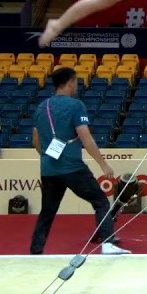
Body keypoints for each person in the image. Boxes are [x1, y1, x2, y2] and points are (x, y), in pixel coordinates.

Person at [30, 67, 129, 255]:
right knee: (100, 202)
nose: (77, 85)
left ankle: (35, 251)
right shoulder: (76, 106)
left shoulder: (42, 107)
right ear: (70, 82)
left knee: (47, 211)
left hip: (48, 169)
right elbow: (86, 138)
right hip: (72, 167)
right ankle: (107, 244)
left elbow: (35, 141)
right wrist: (103, 164)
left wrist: (48, 157)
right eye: (76, 81)